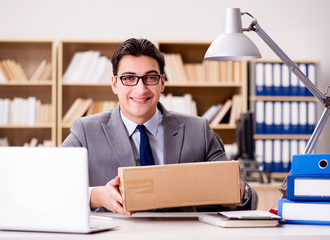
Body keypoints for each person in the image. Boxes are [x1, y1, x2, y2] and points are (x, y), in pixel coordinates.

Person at [62, 38, 258, 215]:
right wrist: (96, 196)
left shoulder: (198, 130)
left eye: (150, 78)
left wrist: (240, 191)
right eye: (129, 78)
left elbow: (247, 201)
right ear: (114, 84)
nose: (141, 89)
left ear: (162, 82)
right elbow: (50, 188)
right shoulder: (85, 132)